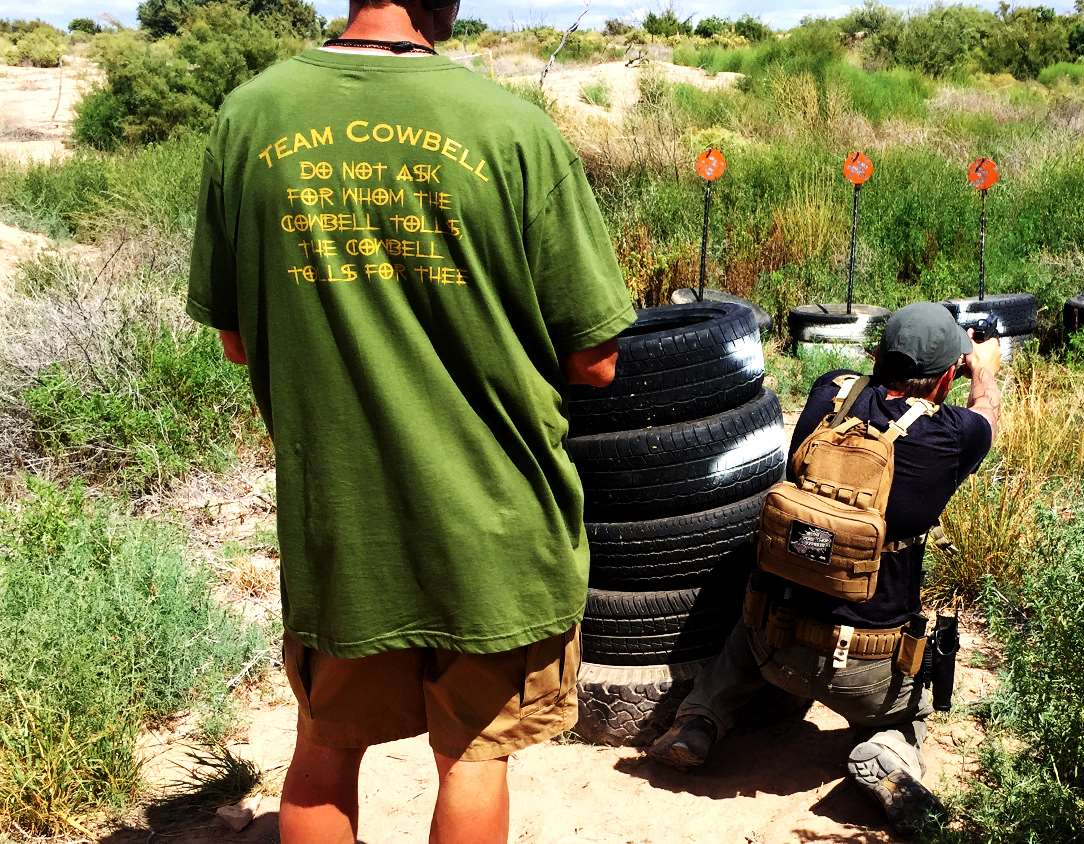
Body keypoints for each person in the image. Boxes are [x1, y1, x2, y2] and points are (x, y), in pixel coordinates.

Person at [185, 1, 635, 841]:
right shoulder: (511, 128)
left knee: (323, 744)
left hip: (340, 523)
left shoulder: (251, 116)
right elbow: (597, 359)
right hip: (493, 521)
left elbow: (236, 340)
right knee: (472, 756)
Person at [648, 302, 1002, 832]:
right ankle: (888, 756)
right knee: (918, 705)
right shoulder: (951, 434)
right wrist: (986, 369)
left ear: (878, 355)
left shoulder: (828, 394)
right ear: (947, 377)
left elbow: (862, 381)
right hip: (868, 673)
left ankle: (699, 721)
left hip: (778, 645)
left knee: (744, 630)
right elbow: (986, 413)